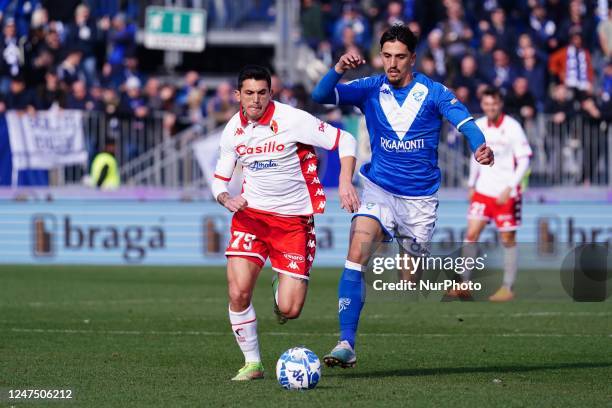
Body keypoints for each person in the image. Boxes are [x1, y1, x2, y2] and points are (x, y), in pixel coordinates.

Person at [311, 24, 494, 368]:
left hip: (419, 201)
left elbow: (465, 122)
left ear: (413, 58)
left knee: (408, 280)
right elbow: (321, 96)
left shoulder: (434, 92)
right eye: (386, 56)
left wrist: (479, 146)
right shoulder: (368, 88)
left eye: (399, 57)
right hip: (379, 189)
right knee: (355, 254)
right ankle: (346, 343)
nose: (392, 64)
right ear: (380, 57)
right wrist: (337, 69)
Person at [211, 65, 359, 381]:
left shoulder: (293, 120)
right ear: (238, 95)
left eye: (261, 92)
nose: (255, 99)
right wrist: (226, 199)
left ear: (271, 93)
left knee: (290, 310)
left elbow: (345, 140)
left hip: (292, 223)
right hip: (250, 218)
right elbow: (220, 181)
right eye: (248, 93)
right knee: (238, 293)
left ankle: (282, 284)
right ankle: (252, 363)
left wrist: (345, 182)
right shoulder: (232, 131)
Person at [452, 87, 532, 302]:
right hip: (483, 191)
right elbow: (475, 157)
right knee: (471, 234)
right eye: (486, 104)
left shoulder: (512, 127)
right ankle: (463, 284)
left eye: (494, 103)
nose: (490, 107)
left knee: (507, 238)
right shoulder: (478, 126)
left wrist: (510, 186)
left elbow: (524, 159)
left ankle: (507, 287)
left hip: (506, 193)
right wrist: (471, 184)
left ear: (500, 104)